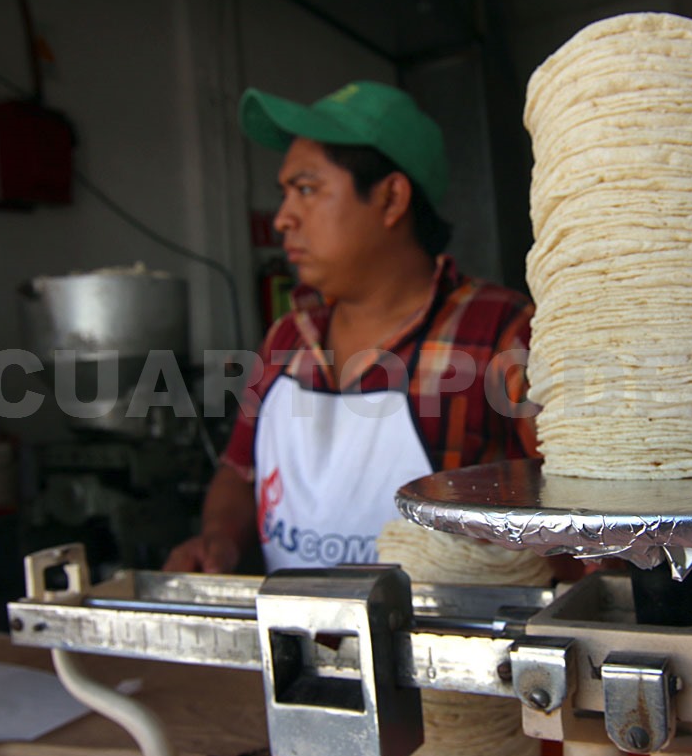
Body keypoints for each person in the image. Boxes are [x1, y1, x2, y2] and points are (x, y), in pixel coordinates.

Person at [164, 80, 538, 574]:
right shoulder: (287, 337)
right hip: (290, 622)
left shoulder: (500, 335)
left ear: (391, 199)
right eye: (285, 194)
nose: (283, 219)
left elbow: (578, 515)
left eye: (306, 189)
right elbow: (239, 471)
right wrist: (219, 539)